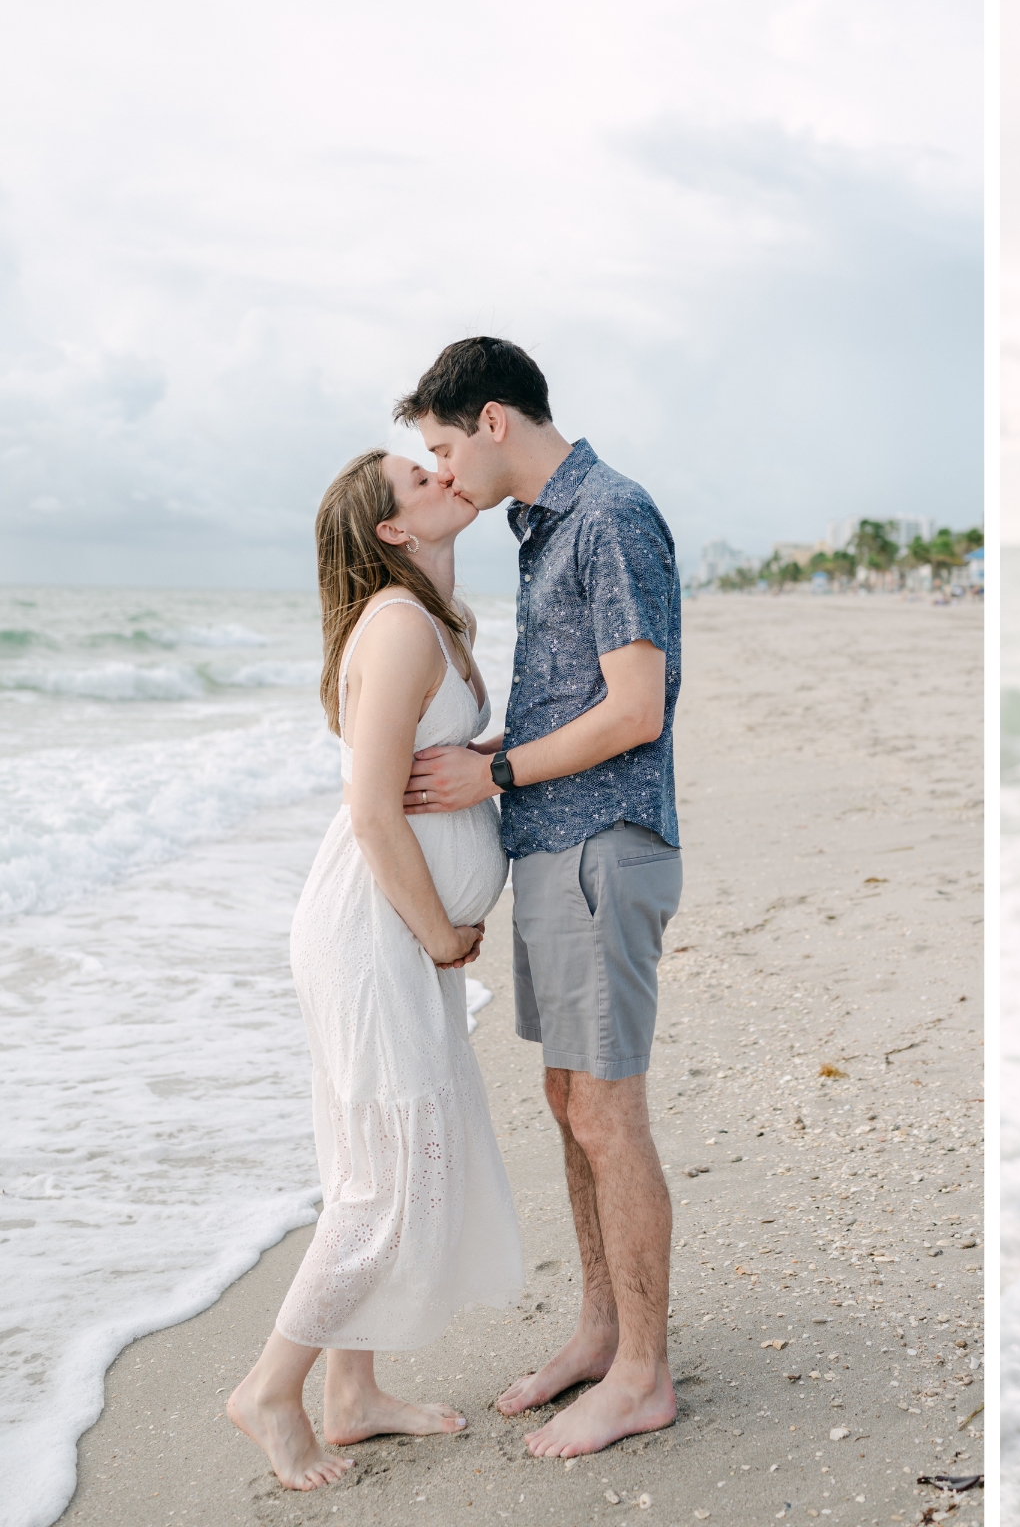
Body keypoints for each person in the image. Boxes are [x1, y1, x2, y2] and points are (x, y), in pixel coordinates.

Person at [394, 338, 684, 1460]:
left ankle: (645, 1376)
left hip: (601, 850)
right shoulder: (543, 525)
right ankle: (602, 1334)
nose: (442, 471)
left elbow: (636, 708)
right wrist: (506, 751)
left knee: (607, 1113)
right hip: (560, 846)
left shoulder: (608, 513)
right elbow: (578, 696)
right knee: (571, 1103)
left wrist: (493, 772)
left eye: (442, 446)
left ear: (495, 420)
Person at [228, 448, 520, 1491]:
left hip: (397, 930)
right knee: (389, 1177)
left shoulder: (431, 620)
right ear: (392, 531)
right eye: (419, 478)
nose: (446, 476)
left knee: (374, 1159)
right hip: (378, 930)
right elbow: (368, 810)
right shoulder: (398, 627)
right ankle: (271, 1389)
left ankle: (351, 1395)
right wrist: (442, 932)